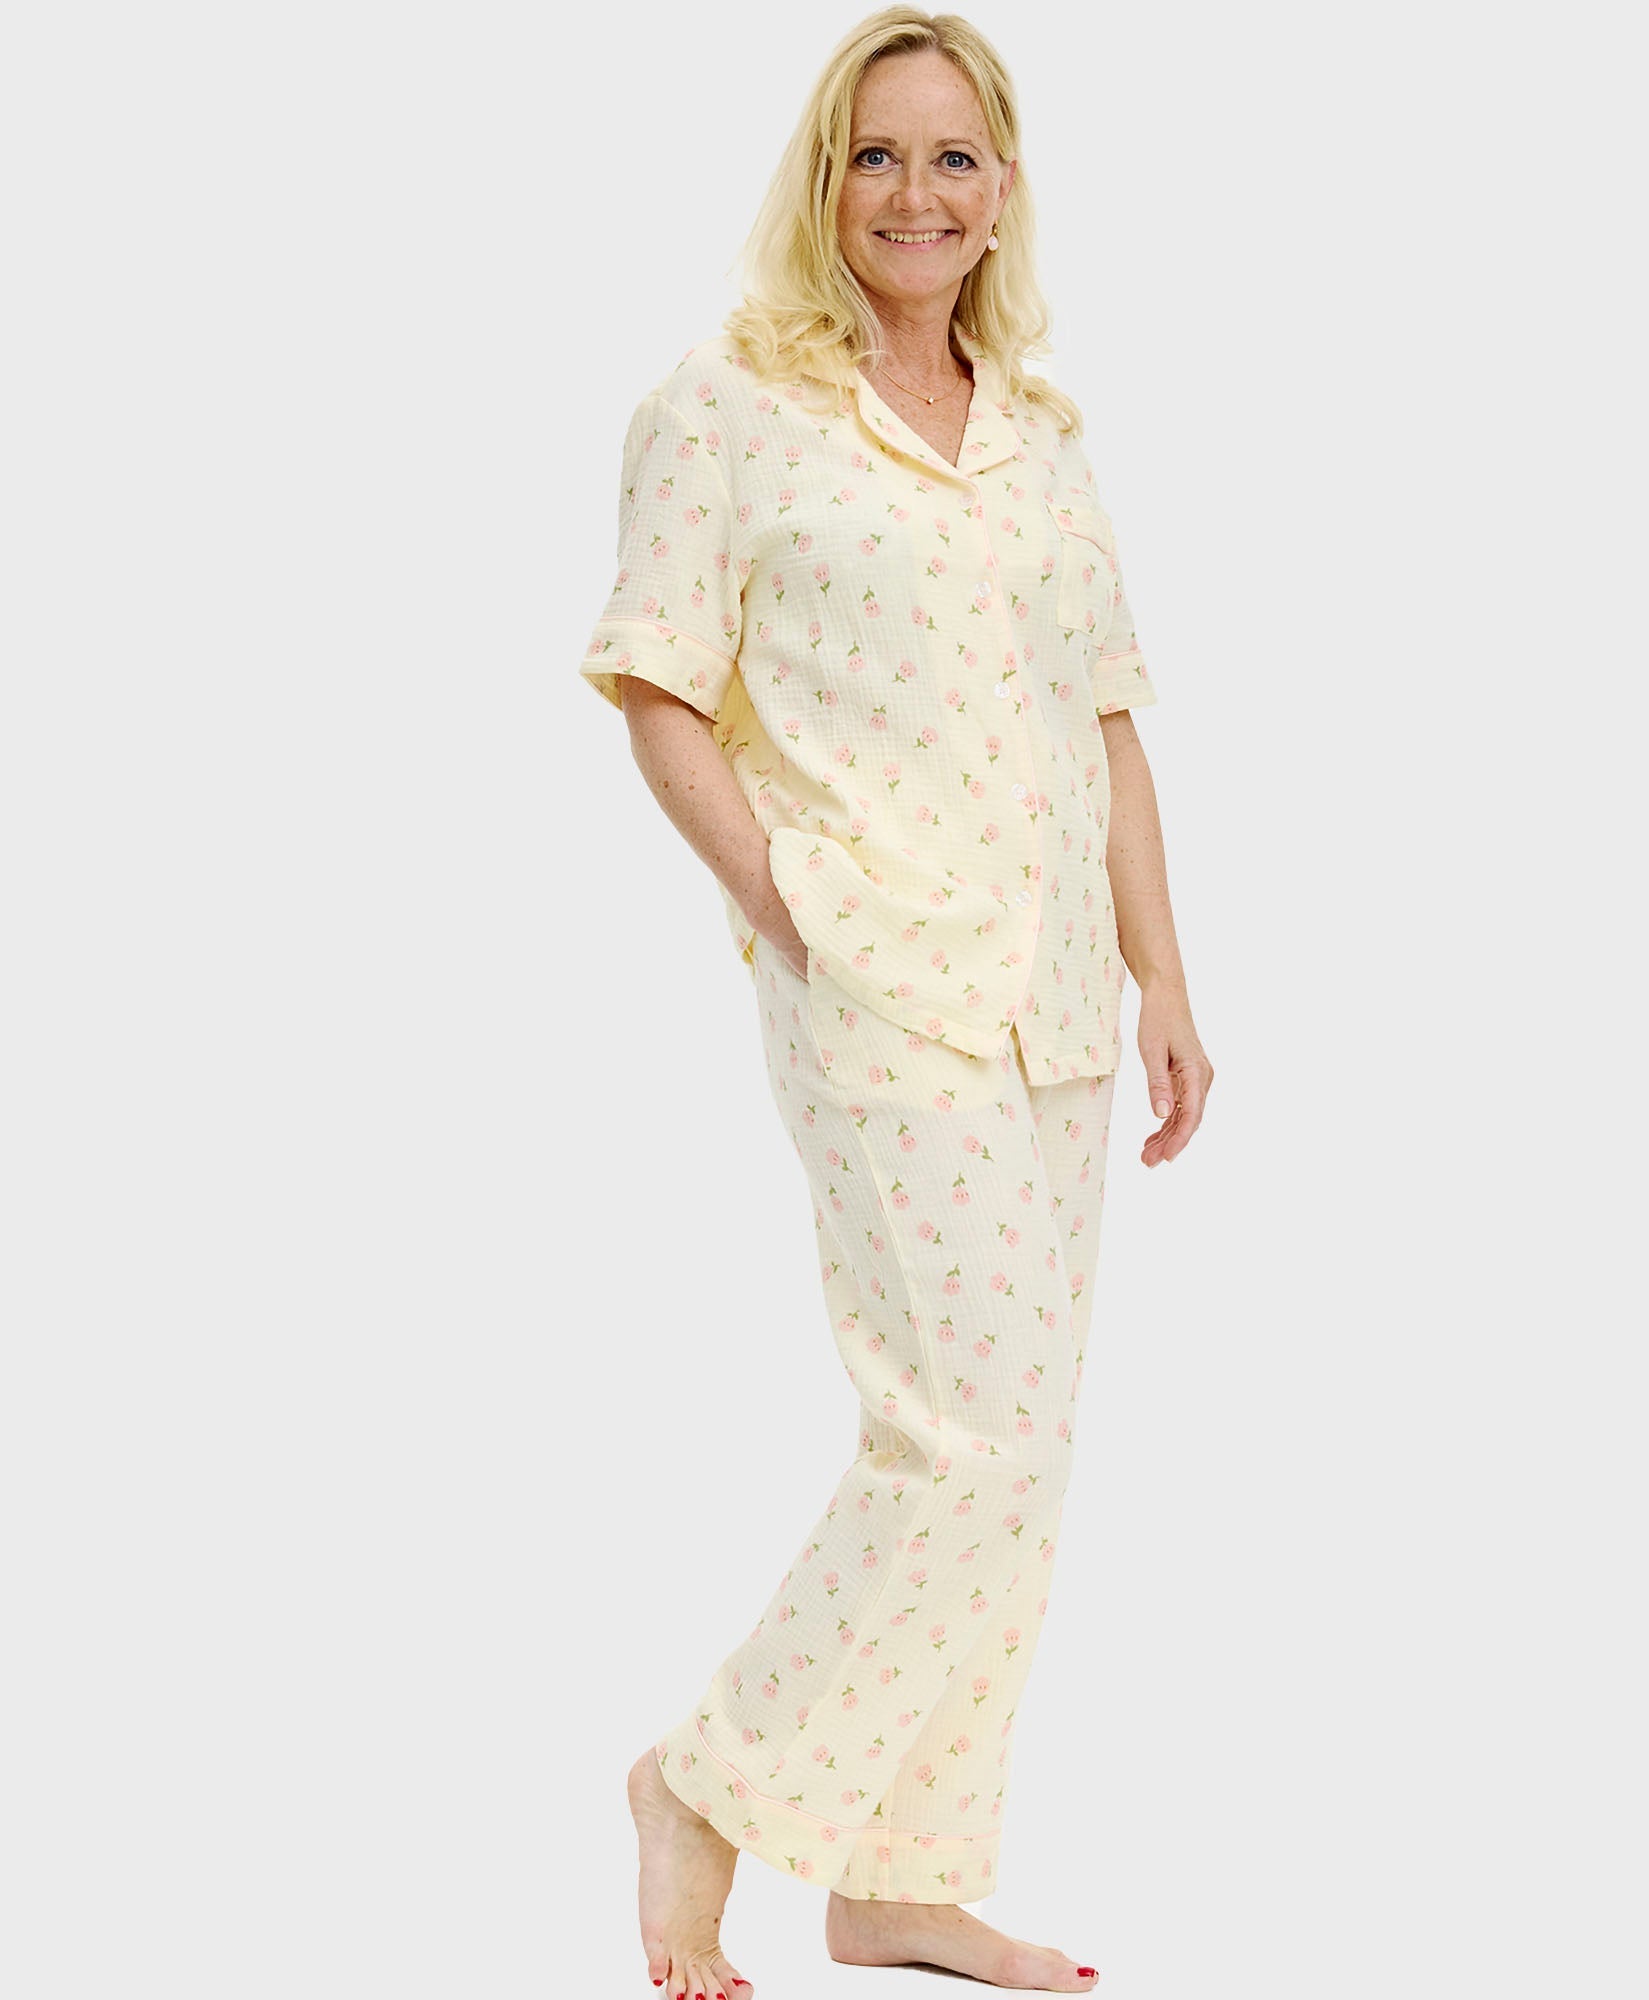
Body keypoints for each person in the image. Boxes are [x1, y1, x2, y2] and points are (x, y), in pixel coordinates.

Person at [577, 9, 1212, 1993]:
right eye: (875, 155)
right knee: (965, 1433)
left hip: (1058, 1000)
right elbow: (656, 684)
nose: (913, 195)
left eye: (951, 158)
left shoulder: (1043, 436)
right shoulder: (724, 405)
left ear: (1001, 190)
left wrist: (1165, 972)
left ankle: (902, 1875)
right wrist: (787, 903)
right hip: (874, 977)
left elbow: (1105, 718)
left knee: (1027, 1455)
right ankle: (705, 1788)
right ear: (822, 179)